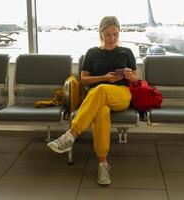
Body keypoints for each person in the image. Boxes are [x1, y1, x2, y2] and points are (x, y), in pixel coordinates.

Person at [47, 16, 139, 186]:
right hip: (97, 99)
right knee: (101, 111)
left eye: (115, 34)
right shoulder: (92, 53)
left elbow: (136, 80)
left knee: (101, 89)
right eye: (107, 34)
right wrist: (104, 77)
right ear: (100, 33)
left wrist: (129, 75)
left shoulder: (126, 52)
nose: (112, 38)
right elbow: (83, 80)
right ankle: (103, 164)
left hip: (121, 95)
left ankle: (72, 135)